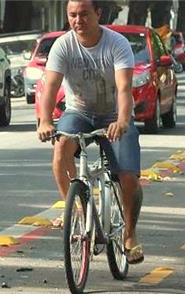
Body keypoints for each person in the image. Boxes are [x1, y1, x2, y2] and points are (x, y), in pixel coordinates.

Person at [36, 0, 144, 264]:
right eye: (72, 15)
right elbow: (50, 86)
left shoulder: (117, 44)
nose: (77, 20)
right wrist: (45, 121)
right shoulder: (63, 45)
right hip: (79, 112)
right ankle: (77, 209)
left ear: (98, 14)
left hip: (114, 114)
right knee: (61, 149)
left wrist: (121, 120)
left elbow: (124, 88)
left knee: (128, 177)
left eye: (84, 14)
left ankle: (130, 235)